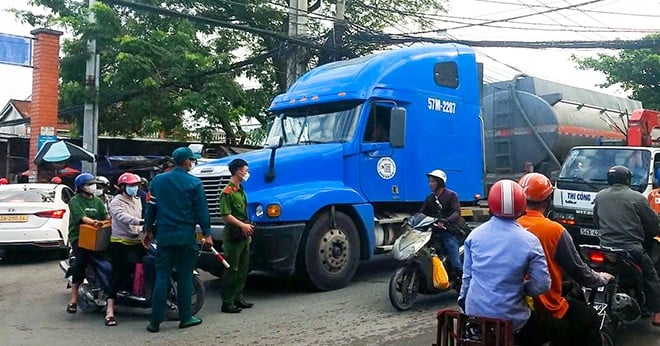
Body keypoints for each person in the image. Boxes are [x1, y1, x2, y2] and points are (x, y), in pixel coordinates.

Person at [459, 179, 561, 346]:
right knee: (559, 328)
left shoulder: (474, 236)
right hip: (511, 321)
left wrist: (465, 303)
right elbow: (542, 285)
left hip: (475, 317)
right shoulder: (530, 241)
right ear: (522, 207)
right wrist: (523, 288)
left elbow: (467, 278)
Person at [517, 173, 613, 346]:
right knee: (590, 318)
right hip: (541, 304)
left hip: (511, 303)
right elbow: (579, 271)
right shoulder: (554, 230)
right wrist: (600, 279)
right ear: (548, 200)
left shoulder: (509, 226)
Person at [142, 147, 212, 332]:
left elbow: (151, 208)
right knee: (185, 276)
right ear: (187, 161)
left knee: (162, 277)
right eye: (192, 160)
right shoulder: (194, 183)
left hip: (164, 237)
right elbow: (202, 211)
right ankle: (186, 317)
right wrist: (207, 233)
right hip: (185, 237)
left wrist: (148, 230)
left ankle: (154, 322)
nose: (192, 163)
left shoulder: (158, 181)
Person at [594, 165, 660, 327]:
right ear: (628, 180)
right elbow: (652, 224)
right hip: (631, 250)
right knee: (651, 277)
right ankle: (657, 314)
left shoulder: (600, 196)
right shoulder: (637, 198)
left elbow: (597, 220)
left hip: (605, 248)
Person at [105, 173, 146, 327]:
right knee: (118, 274)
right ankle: (110, 311)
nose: (134, 188)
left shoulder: (137, 200)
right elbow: (123, 217)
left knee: (150, 262)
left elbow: (142, 215)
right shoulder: (116, 202)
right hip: (120, 242)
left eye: (136, 185)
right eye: (131, 185)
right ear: (122, 187)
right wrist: (142, 221)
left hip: (136, 240)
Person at [65, 173, 108, 314]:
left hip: (99, 235)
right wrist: (95, 222)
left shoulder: (97, 201)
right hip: (80, 237)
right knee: (81, 264)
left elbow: (105, 215)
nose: (93, 187)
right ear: (81, 187)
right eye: (89, 184)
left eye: (93, 184)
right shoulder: (75, 201)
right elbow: (82, 217)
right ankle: (73, 300)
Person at [219, 158, 254, 313]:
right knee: (231, 268)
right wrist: (242, 225)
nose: (247, 173)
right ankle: (227, 301)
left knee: (243, 268)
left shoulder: (241, 190)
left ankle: (238, 297)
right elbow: (226, 215)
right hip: (233, 233)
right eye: (246, 170)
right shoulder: (227, 192)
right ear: (238, 171)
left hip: (244, 233)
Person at [419, 169, 463, 280]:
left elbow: (456, 212)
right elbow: (422, 213)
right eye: (429, 181)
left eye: (433, 181)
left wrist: (446, 221)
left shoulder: (451, 195)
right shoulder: (430, 198)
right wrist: (410, 220)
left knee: (455, 264)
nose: (430, 184)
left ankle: (466, 284)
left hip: (450, 231)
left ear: (440, 182)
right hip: (434, 231)